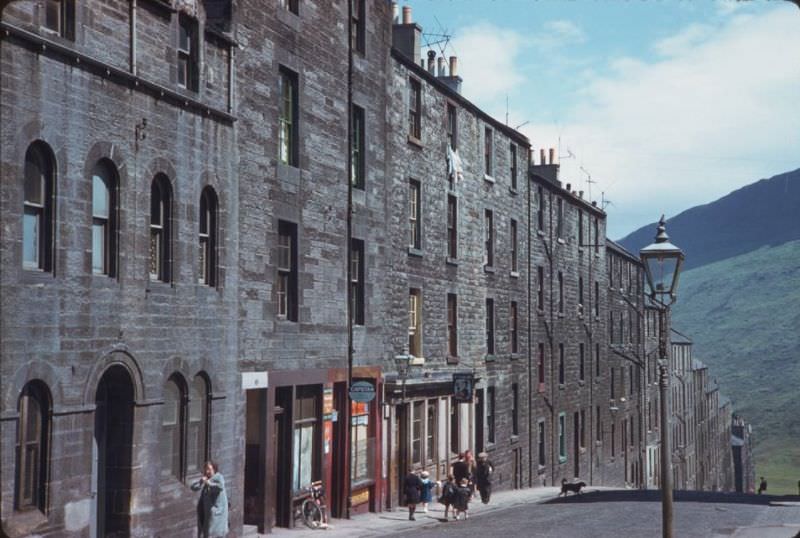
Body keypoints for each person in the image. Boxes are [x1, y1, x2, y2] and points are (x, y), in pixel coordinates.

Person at [191, 461, 229, 538]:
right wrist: (201, 481)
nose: (207, 471)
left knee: (214, 535)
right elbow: (193, 488)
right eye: (205, 469)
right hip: (206, 513)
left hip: (217, 516)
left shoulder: (219, 477)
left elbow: (220, 487)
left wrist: (209, 483)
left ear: (214, 469)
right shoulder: (207, 479)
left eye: (209, 469)